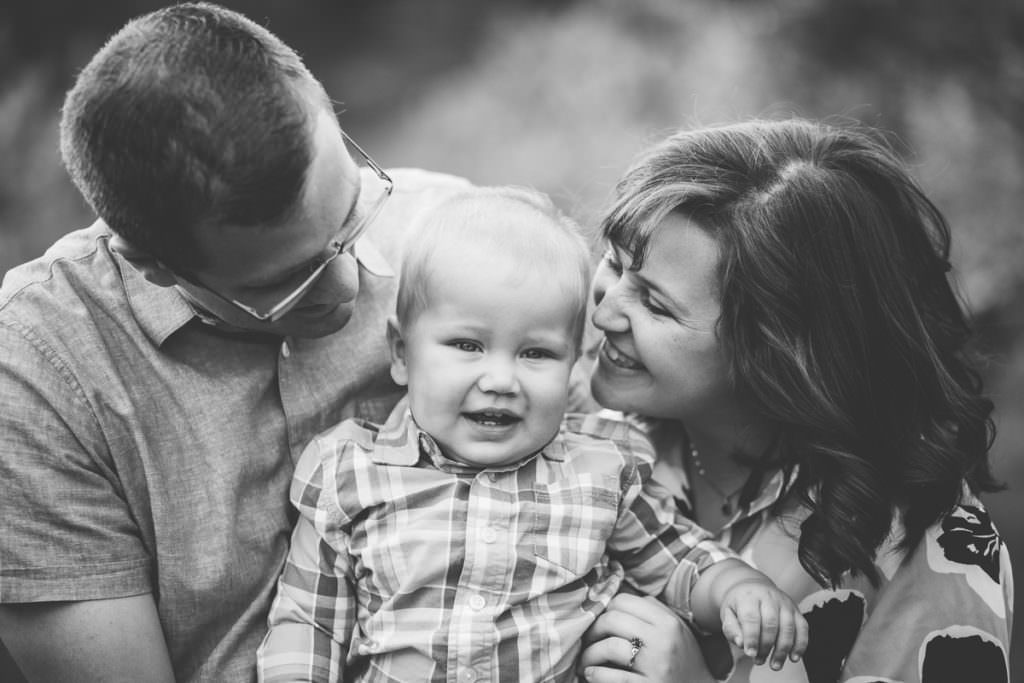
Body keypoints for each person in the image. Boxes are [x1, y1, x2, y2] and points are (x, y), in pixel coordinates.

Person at [0, 3, 471, 681]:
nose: (349, 281)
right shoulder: (37, 374)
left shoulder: (452, 233)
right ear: (151, 262)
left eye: (353, 214)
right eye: (290, 282)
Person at [256, 187, 810, 682]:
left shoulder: (600, 472)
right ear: (402, 353)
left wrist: (738, 589)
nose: (500, 380)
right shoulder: (349, 471)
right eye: (467, 346)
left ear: (574, 364)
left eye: (536, 353)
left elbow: (679, 559)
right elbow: (308, 623)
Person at [575, 118, 1014, 682]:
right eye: (613, 262)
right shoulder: (584, 439)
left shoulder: (925, 546)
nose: (604, 311)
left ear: (776, 350)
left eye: (656, 306)